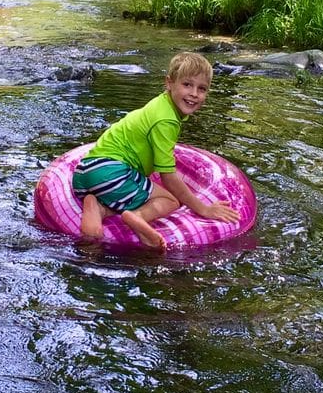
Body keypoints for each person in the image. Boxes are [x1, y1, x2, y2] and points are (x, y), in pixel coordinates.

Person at [72, 52, 241, 249]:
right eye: (187, 85)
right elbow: (168, 176)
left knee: (132, 190)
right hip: (112, 173)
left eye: (201, 88)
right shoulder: (166, 120)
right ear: (169, 83)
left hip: (87, 171)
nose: (194, 93)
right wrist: (203, 209)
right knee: (170, 200)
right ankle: (137, 216)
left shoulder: (161, 104)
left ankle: (98, 209)